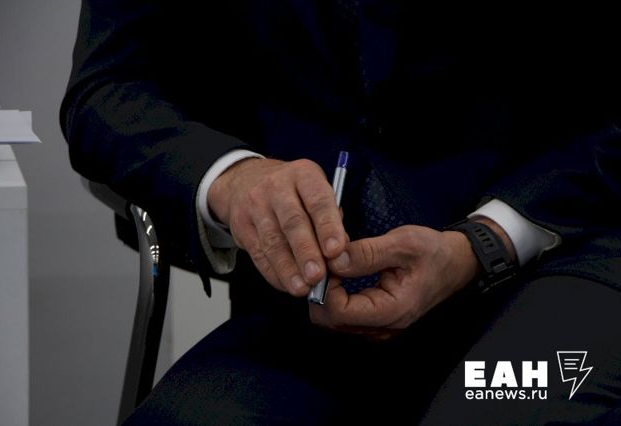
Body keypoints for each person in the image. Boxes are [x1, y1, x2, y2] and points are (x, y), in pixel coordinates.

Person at [61, 2, 621, 424]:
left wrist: (485, 241)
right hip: (313, 311)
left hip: (559, 266)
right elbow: (109, 85)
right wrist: (231, 178)